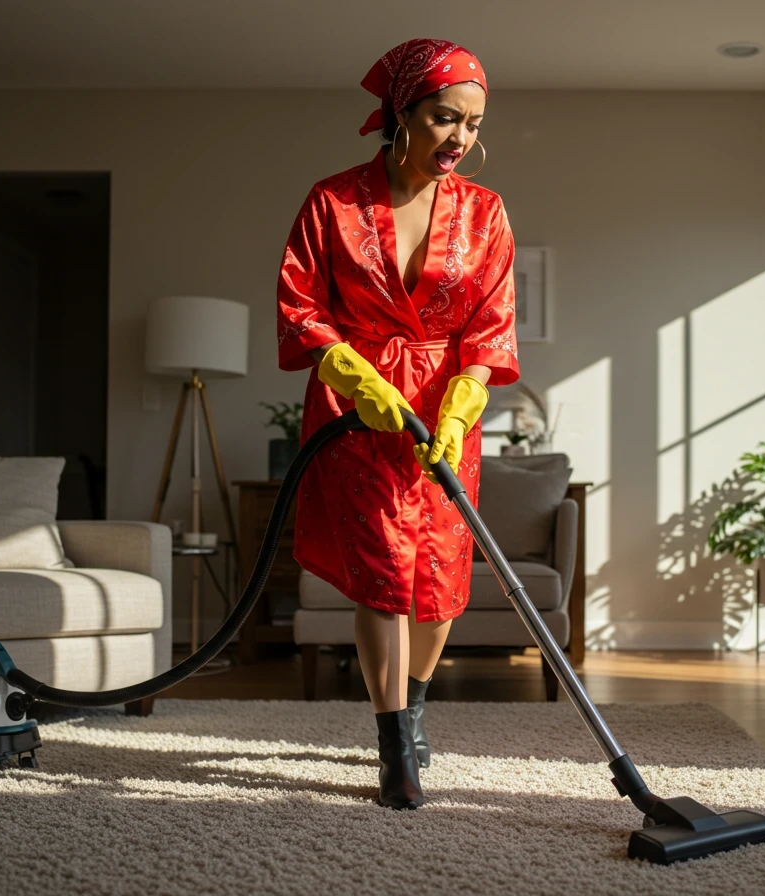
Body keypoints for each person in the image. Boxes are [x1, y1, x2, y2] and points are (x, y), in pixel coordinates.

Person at [275, 38, 519, 810]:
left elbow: (491, 325)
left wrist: (465, 397)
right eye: (446, 117)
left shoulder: (487, 214)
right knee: (383, 577)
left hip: (445, 408)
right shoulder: (332, 202)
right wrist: (351, 372)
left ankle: (414, 711)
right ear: (401, 112)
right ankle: (393, 750)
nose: (460, 138)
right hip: (361, 407)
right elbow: (301, 307)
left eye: (473, 124)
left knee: (441, 584)